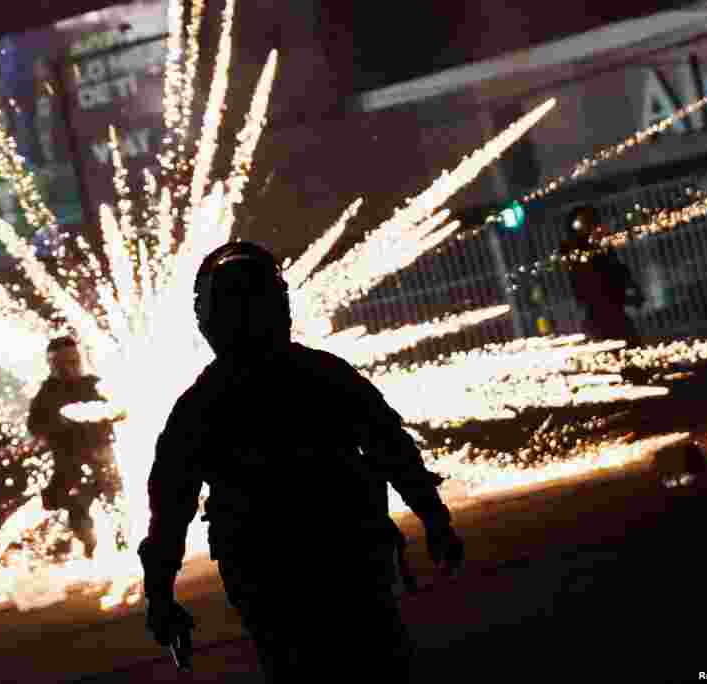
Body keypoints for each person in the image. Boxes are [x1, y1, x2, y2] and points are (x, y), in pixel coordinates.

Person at [138, 241, 465, 680]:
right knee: (378, 661)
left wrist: (160, 595)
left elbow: (170, 508)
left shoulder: (201, 404)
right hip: (345, 557)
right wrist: (434, 519)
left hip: (273, 573)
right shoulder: (324, 375)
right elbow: (393, 450)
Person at [27, 336, 121, 559]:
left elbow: (119, 408)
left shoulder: (94, 384)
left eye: (74, 362)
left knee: (118, 509)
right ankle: (91, 551)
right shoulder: (46, 395)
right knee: (80, 517)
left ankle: (123, 547)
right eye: (63, 364)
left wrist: (116, 413)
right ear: (52, 366)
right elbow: (35, 426)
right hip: (72, 467)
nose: (70, 369)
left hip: (104, 461)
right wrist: (59, 422)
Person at [560, 204, 645, 346]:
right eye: (586, 223)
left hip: (611, 314)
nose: (592, 227)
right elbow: (593, 286)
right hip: (600, 316)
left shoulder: (600, 247)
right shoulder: (576, 252)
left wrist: (630, 290)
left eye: (592, 222)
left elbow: (617, 270)